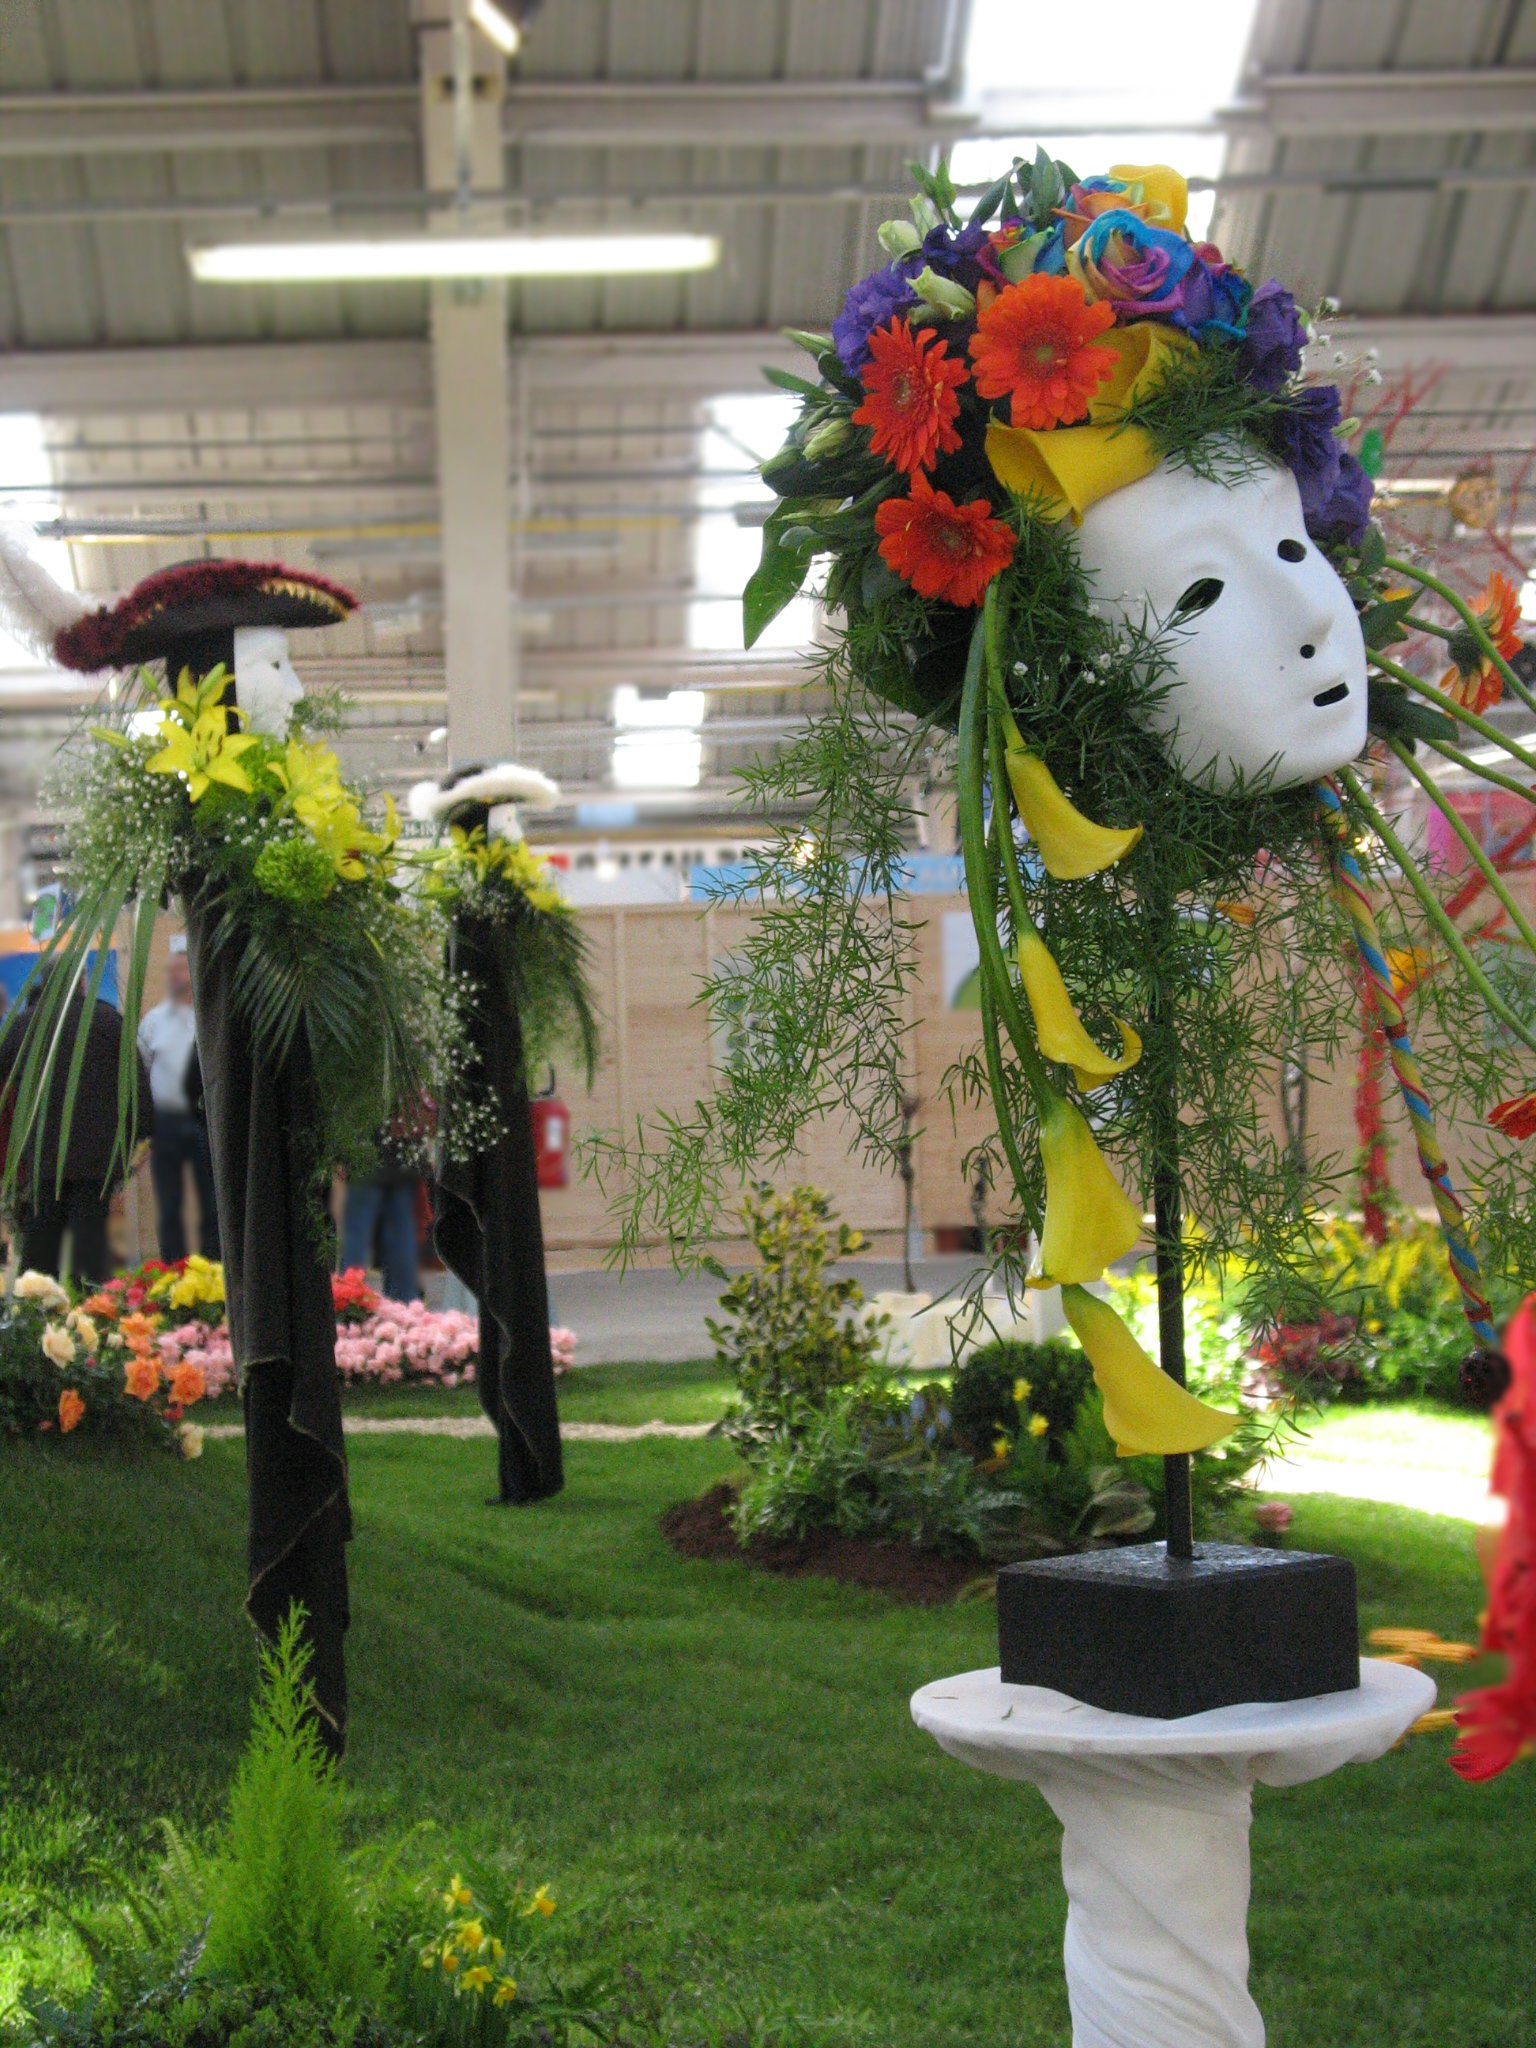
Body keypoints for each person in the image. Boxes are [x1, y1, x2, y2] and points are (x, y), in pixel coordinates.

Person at [0, 967, 150, 1283]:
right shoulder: (109, 1022)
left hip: (42, 1156)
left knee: (41, 1248)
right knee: (91, 1246)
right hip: (98, 1158)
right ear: (83, 983)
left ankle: (37, 1318)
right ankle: (94, 1317)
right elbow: (137, 1085)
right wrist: (141, 1137)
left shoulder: (24, 1026)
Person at [137, 945, 219, 1262]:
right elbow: (142, 1072)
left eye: (181, 969)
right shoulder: (152, 1022)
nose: (175, 975)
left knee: (211, 1197)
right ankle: (173, 1268)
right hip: (165, 1122)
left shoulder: (208, 1020)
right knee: (169, 1202)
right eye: (170, 970)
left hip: (202, 1119)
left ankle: (214, 1267)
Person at [340, 1120, 426, 1303]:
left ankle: (348, 1305)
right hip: (403, 1152)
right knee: (401, 1236)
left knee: (357, 1237)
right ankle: (404, 1313)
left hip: (365, 1152)